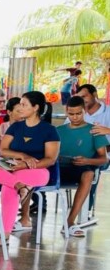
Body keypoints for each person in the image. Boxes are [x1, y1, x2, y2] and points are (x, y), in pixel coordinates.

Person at [0, 91, 60, 249]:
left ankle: (4, 235)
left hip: (38, 170)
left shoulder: (49, 130)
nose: (20, 107)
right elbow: (2, 150)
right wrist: (22, 156)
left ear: (36, 107)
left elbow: (50, 159)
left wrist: (26, 164)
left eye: (24, 104)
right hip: (12, 168)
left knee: (7, 187)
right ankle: (4, 235)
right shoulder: (16, 127)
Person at [56, 96, 108, 236]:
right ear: (66, 112)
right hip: (59, 167)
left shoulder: (94, 131)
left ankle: (70, 221)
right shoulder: (58, 130)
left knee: (89, 174)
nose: (75, 117)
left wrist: (87, 161)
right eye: (71, 114)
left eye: (78, 113)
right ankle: (24, 217)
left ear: (84, 111)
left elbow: (103, 158)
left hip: (83, 168)